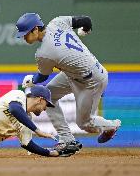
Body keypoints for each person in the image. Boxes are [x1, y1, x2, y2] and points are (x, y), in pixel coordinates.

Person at [15, 13, 121, 152]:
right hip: (78, 73)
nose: (23, 37)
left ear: (36, 29)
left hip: (90, 82)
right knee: (48, 96)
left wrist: (31, 80)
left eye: (26, 33)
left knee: (84, 124)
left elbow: (42, 77)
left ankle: (110, 126)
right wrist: (86, 30)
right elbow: (86, 20)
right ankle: (66, 139)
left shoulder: (44, 53)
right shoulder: (57, 22)